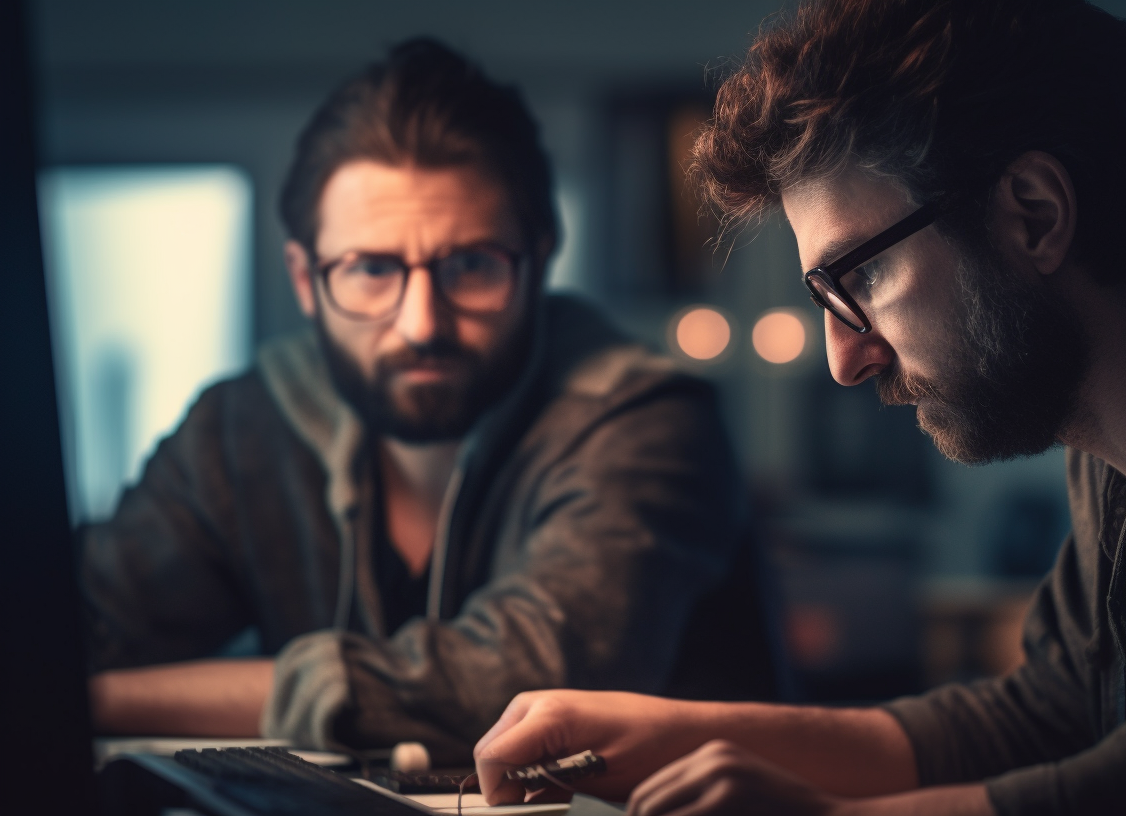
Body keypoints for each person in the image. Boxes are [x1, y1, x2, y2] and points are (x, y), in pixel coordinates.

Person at [471, 0, 1126, 813]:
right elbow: (1045, 719)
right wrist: (673, 730)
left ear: (1033, 211)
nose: (845, 359)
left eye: (855, 280)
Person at [82, 38, 779, 764]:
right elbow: (79, 627)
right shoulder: (238, 432)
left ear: (540, 257)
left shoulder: (645, 419)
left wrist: (93, 699)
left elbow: (518, 687)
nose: (421, 323)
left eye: (471, 265)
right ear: (303, 280)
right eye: (371, 269)